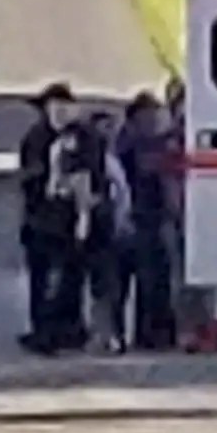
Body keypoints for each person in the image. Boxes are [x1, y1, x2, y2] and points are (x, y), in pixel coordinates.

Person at [17, 83, 83, 353]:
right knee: (46, 278)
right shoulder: (37, 138)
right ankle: (46, 331)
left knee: (65, 276)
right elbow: (29, 178)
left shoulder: (76, 137)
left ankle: (63, 329)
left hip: (62, 217)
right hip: (44, 218)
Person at [117, 90, 180, 351]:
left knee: (154, 280)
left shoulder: (142, 142)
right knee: (145, 279)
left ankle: (152, 333)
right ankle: (145, 334)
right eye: (149, 117)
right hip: (138, 217)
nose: (153, 122)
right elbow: (147, 167)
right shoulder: (130, 144)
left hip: (151, 218)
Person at [65, 103, 128, 353]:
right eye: (104, 128)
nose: (109, 133)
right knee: (102, 286)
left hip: (108, 227)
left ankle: (109, 334)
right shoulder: (94, 162)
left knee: (109, 287)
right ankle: (102, 334)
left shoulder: (110, 160)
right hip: (99, 228)